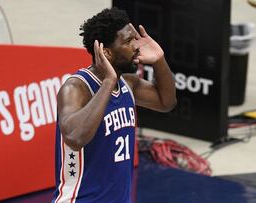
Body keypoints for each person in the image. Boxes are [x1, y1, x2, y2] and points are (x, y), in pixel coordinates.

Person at [52, 7, 176, 203]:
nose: (136, 45)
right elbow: (75, 138)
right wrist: (109, 81)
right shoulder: (76, 88)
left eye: (134, 38)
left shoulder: (128, 83)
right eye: (128, 41)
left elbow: (166, 102)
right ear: (107, 53)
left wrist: (159, 60)